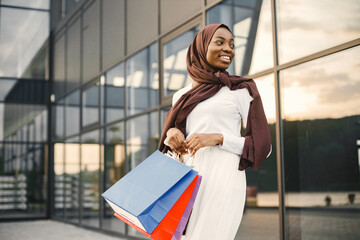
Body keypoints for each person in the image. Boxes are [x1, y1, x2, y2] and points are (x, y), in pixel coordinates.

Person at [158, 24, 271, 240]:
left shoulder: (239, 90)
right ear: (201, 47)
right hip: (187, 179)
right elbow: (176, 145)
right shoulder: (181, 95)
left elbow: (264, 147)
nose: (228, 49)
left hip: (224, 178)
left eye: (232, 44)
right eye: (219, 42)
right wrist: (172, 133)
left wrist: (219, 138)